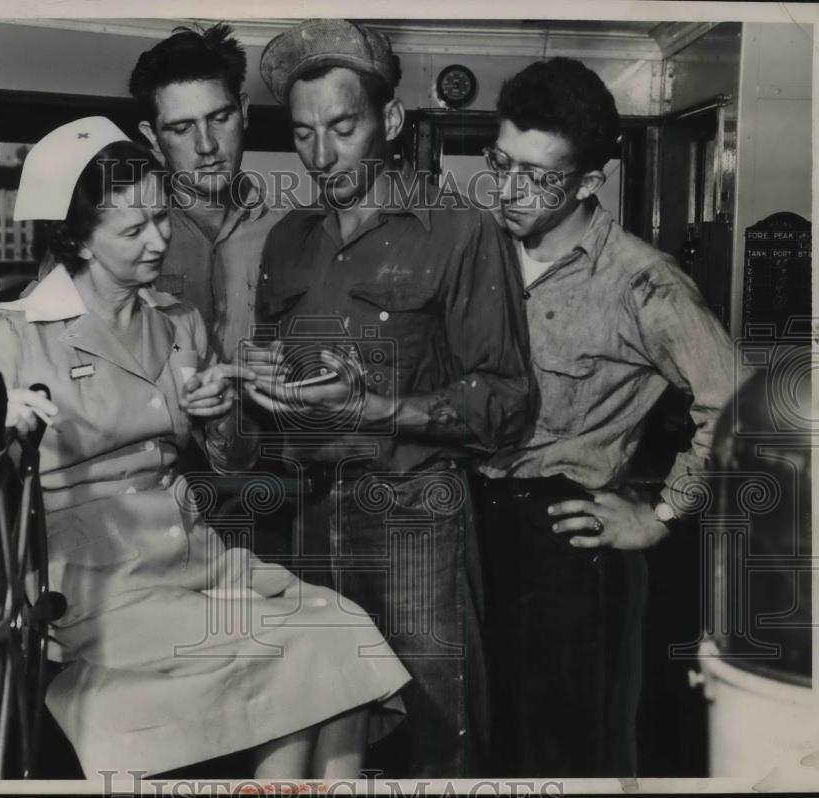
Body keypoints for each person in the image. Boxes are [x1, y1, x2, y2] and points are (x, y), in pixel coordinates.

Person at [0, 117, 410, 780]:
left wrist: (218, 417)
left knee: (338, 624)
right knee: (295, 649)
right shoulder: (13, 335)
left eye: (162, 219)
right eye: (133, 230)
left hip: (196, 557)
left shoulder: (177, 322)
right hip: (96, 582)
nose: (159, 240)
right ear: (78, 236)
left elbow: (226, 463)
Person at [237, 20, 534, 777]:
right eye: (303, 134)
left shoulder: (460, 230)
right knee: (316, 724)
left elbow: (506, 401)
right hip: (303, 516)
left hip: (414, 522)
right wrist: (257, 388)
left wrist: (380, 410)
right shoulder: (286, 239)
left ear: (390, 121)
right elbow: (274, 376)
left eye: (343, 127)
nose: (322, 154)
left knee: (436, 727)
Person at [477, 57, 743, 776]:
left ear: (591, 182)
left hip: (568, 542)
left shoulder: (644, 283)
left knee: (568, 754)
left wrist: (660, 514)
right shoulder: (481, 251)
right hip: (471, 527)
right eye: (500, 163)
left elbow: (744, 408)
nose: (508, 190)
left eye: (538, 176)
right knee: (483, 745)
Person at [129, 22, 284, 363]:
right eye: (182, 128)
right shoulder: (114, 237)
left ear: (243, 111)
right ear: (153, 138)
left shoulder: (292, 231)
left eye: (219, 118)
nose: (206, 145)